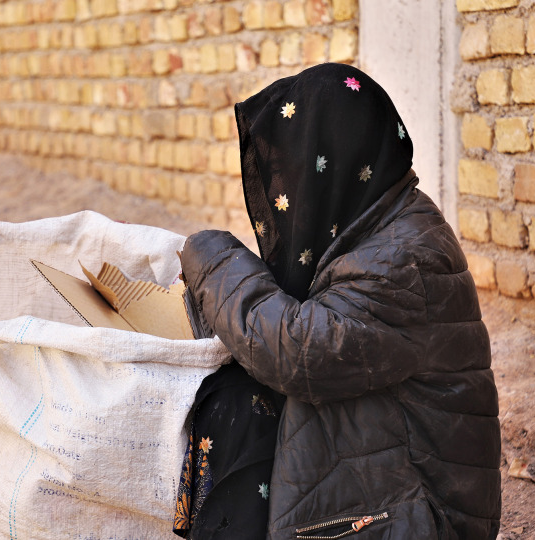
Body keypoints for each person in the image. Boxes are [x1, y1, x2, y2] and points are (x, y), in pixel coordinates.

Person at [174, 63, 502, 539]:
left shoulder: (405, 260)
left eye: (297, 170)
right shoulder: (378, 223)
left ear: (336, 162)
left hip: (424, 518)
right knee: (234, 395)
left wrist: (211, 257)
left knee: (257, 379)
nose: (288, 192)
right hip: (401, 498)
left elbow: (295, 350)